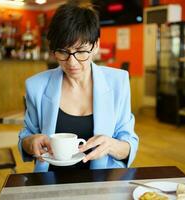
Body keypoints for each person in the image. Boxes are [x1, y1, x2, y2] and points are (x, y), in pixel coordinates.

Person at [18, 2, 139, 172]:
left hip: (103, 181)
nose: (72, 62)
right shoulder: (36, 86)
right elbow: (26, 137)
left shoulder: (118, 81)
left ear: (96, 45)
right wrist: (30, 143)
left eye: (81, 51)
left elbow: (129, 143)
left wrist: (111, 145)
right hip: (51, 181)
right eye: (63, 52)